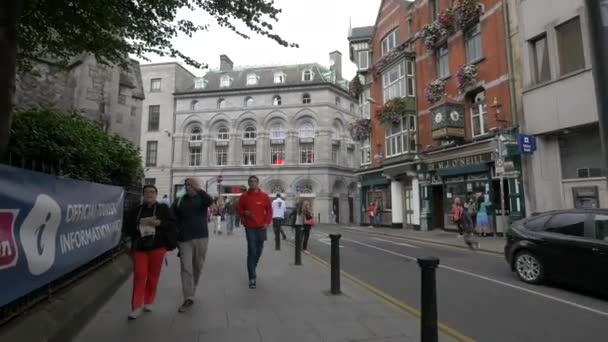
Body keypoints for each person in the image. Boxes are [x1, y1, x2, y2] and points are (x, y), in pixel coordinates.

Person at [125, 185, 174, 320]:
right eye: (146, 192)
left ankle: (148, 301)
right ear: (143, 195)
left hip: (157, 247)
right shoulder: (137, 210)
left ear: (156, 194)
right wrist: (138, 226)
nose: (149, 194)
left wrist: (159, 223)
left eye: (152, 192)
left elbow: (171, 225)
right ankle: (136, 306)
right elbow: (128, 227)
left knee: (153, 276)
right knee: (140, 275)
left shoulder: (163, 209)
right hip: (140, 248)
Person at [172, 177, 213, 313]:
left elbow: (210, 201)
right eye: (186, 185)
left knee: (197, 266)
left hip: (201, 237)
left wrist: (199, 189)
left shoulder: (202, 198)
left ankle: (192, 288)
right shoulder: (179, 200)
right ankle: (188, 297)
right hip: (184, 239)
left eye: (191, 184)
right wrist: (176, 234)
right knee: (186, 268)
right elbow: (172, 217)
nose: (188, 187)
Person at [237, 175, 272, 289]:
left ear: (258, 183)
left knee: (259, 249)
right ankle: (252, 277)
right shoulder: (244, 197)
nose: (252, 183)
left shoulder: (264, 196)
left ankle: (252, 266)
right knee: (252, 249)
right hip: (250, 227)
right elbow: (238, 209)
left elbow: (269, 211)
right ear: (248, 184)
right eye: (250, 182)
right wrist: (244, 213)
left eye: (254, 181)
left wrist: (267, 222)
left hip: (262, 227)